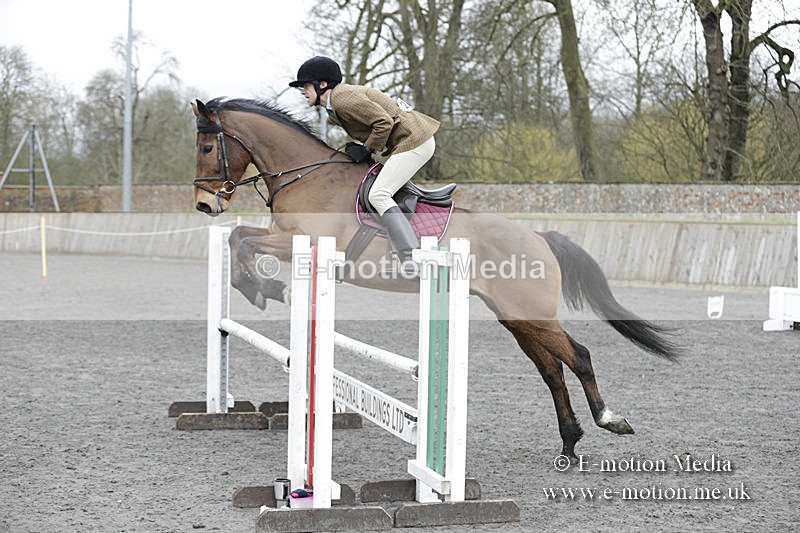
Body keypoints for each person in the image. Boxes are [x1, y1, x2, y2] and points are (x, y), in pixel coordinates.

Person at [289, 56, 440, 268]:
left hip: (414, 141)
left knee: (378, 194)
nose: (302, 91)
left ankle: (411, 258)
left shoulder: (341, 99)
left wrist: (367, 148)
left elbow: (383, 122)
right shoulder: (335, 107)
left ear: (322, 84)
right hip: (405, 141)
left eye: (305, 85)